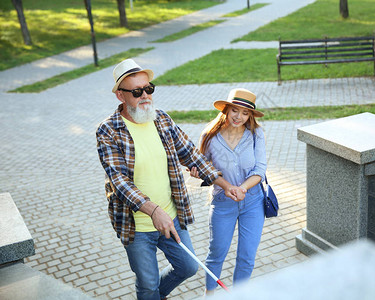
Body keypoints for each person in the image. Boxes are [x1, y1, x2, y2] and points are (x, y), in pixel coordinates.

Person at [96, 58, 245, 300]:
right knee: (147, 284)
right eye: (136, 91)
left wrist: (225, 184)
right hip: (136, 227)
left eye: (148, 88)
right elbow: (119, 181)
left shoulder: (161, 119)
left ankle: (156, 295)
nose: (145, 96)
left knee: (188, 267)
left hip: (172, 216)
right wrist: (154, 211)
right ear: (121, 96)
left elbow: (190, 154)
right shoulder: (108, 130)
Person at [189, 88, 267, 295]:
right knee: (216, 254)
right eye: (235, 110)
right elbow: (204, 168)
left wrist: (242, 188)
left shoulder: (256, 134)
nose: (239, 117)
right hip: (222, 203)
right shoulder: (209, 136)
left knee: (247, 256)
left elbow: (260, 170)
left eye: (245, 113)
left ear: (250, 115)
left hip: (253, 202)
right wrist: (197, 172)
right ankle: (210, 294)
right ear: (226, 110)